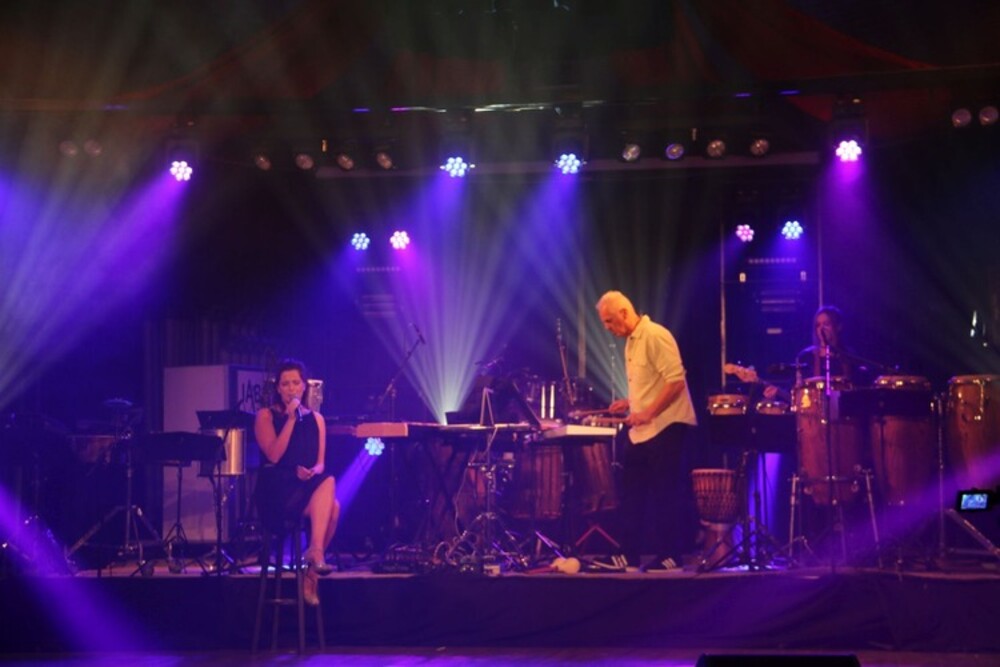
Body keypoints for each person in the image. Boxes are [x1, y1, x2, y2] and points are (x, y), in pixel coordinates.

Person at [596, 290, 698, 571]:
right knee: (632, 492)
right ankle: (627, 554)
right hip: (644, 429)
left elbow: (676, 381)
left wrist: (648, 413)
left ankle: (671, 555)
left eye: (609, 321)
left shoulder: (655, 335)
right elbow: (653, 383)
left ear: (624, 313)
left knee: (665, 493)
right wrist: (630, 402)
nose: (607, 327)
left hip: (667, 425)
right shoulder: (631, 343)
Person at [254, 358, 339, 605]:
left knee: (332, 500)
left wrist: (311, 471)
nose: (291, 389)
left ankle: (312, 565)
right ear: (278, 388)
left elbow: (320, 463)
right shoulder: (265, 416)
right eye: (285, 384)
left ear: (304, 386)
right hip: (277, 490)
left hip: (306, 485)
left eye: (295, 383)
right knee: (332, 504)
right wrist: (291, 419)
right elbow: (274, 455)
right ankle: (314, 562)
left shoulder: (317, 419)